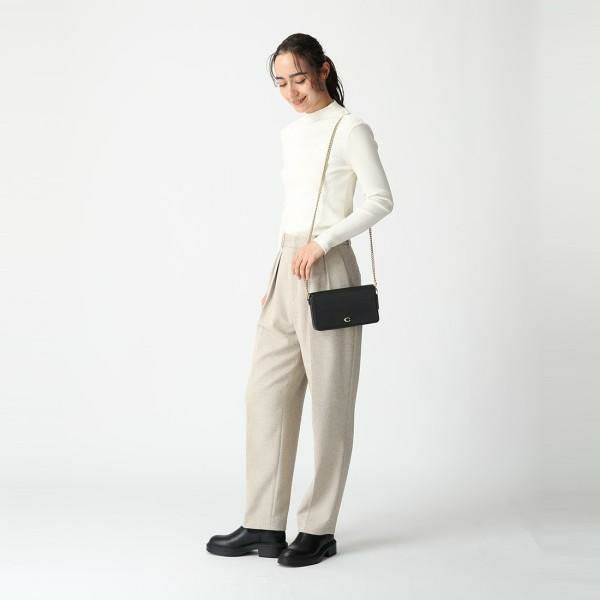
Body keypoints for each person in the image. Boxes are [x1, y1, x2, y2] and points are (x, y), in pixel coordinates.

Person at [206, 33, 394, 567]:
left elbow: (381, 199)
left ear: (323, 70)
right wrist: (276, 271)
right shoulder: (291, 134)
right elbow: (294, 204)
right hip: (287, 267)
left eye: (300, 78)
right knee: (264, 396)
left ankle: (318, 528)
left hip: (327, 267)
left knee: (330, 404)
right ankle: (263, 523)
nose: (291, 91)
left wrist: (324, 242)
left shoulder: (350, 128)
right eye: (281, 82)